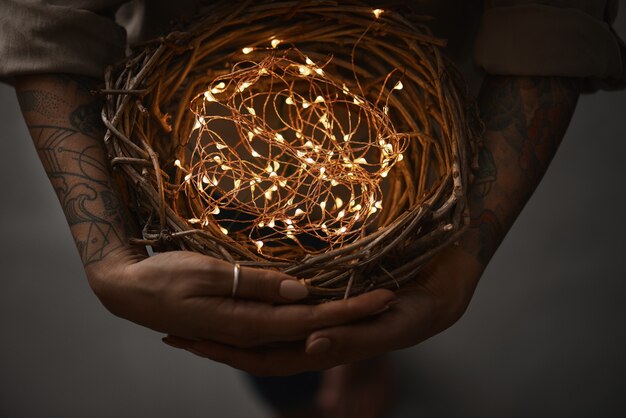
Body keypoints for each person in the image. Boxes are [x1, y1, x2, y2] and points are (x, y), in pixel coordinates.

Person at [1, 1, 624, 417]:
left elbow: (553, 18)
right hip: (182, 130)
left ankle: (357, 365)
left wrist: (457, 267)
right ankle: (306, 386)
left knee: (379, 269)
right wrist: (109, 256)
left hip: (405, 101)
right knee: (250, 302)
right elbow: (46, 13)